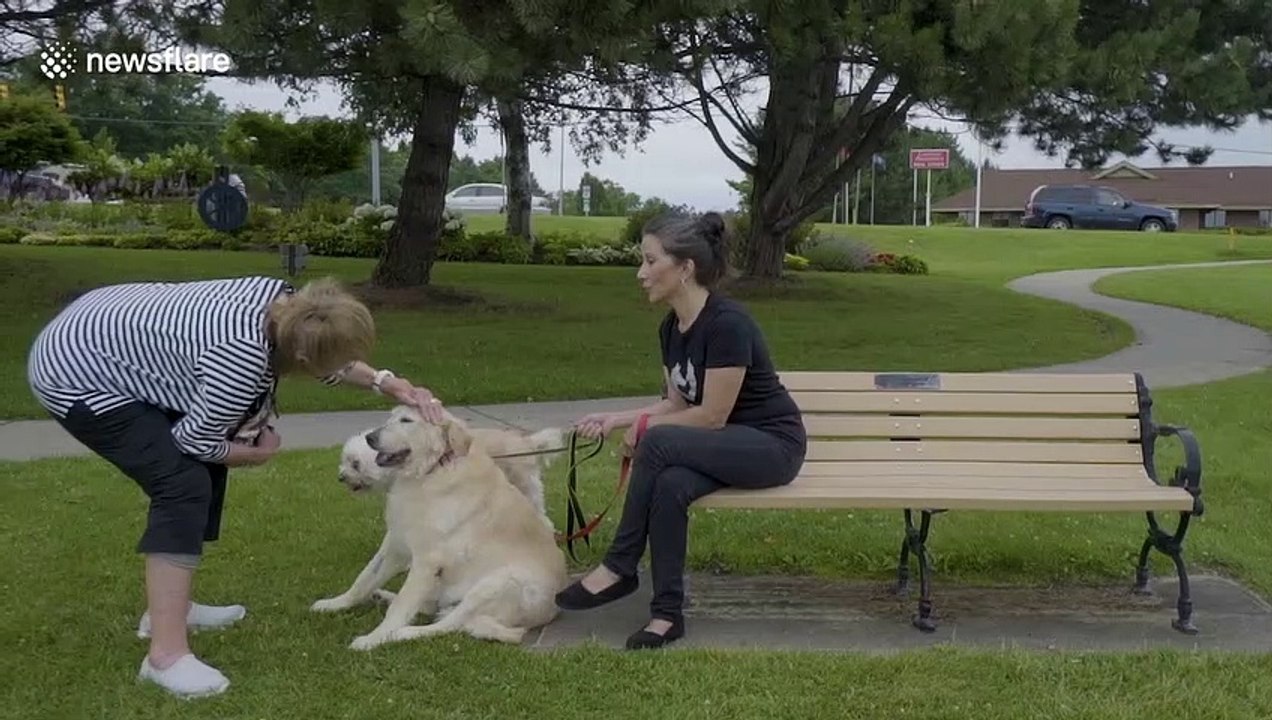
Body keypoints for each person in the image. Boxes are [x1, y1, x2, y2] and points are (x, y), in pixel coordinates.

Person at [25, 275, 446, 698]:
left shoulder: (285, 301)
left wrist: (389, 383)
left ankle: (168, 609)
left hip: (109, 339)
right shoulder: (239, 359)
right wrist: (253, 454)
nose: (344, 364)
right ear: (300, 353)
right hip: (76, 374)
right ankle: (165, 657)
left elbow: (321, 357)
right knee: (183, 483)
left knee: (203, 461)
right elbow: (195, 441)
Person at [554, 211, 807, 650]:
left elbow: (711, 416)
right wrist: (617, 420)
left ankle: (620, 565)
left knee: (658, 439)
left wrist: (647, 428)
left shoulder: (727, 323)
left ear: (685, 268)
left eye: (651, 262)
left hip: (770, 446)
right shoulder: (672, 327)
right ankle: (667, 615)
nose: (641, 273)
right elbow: (676, 403)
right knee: (670, 482)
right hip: (718, 446)